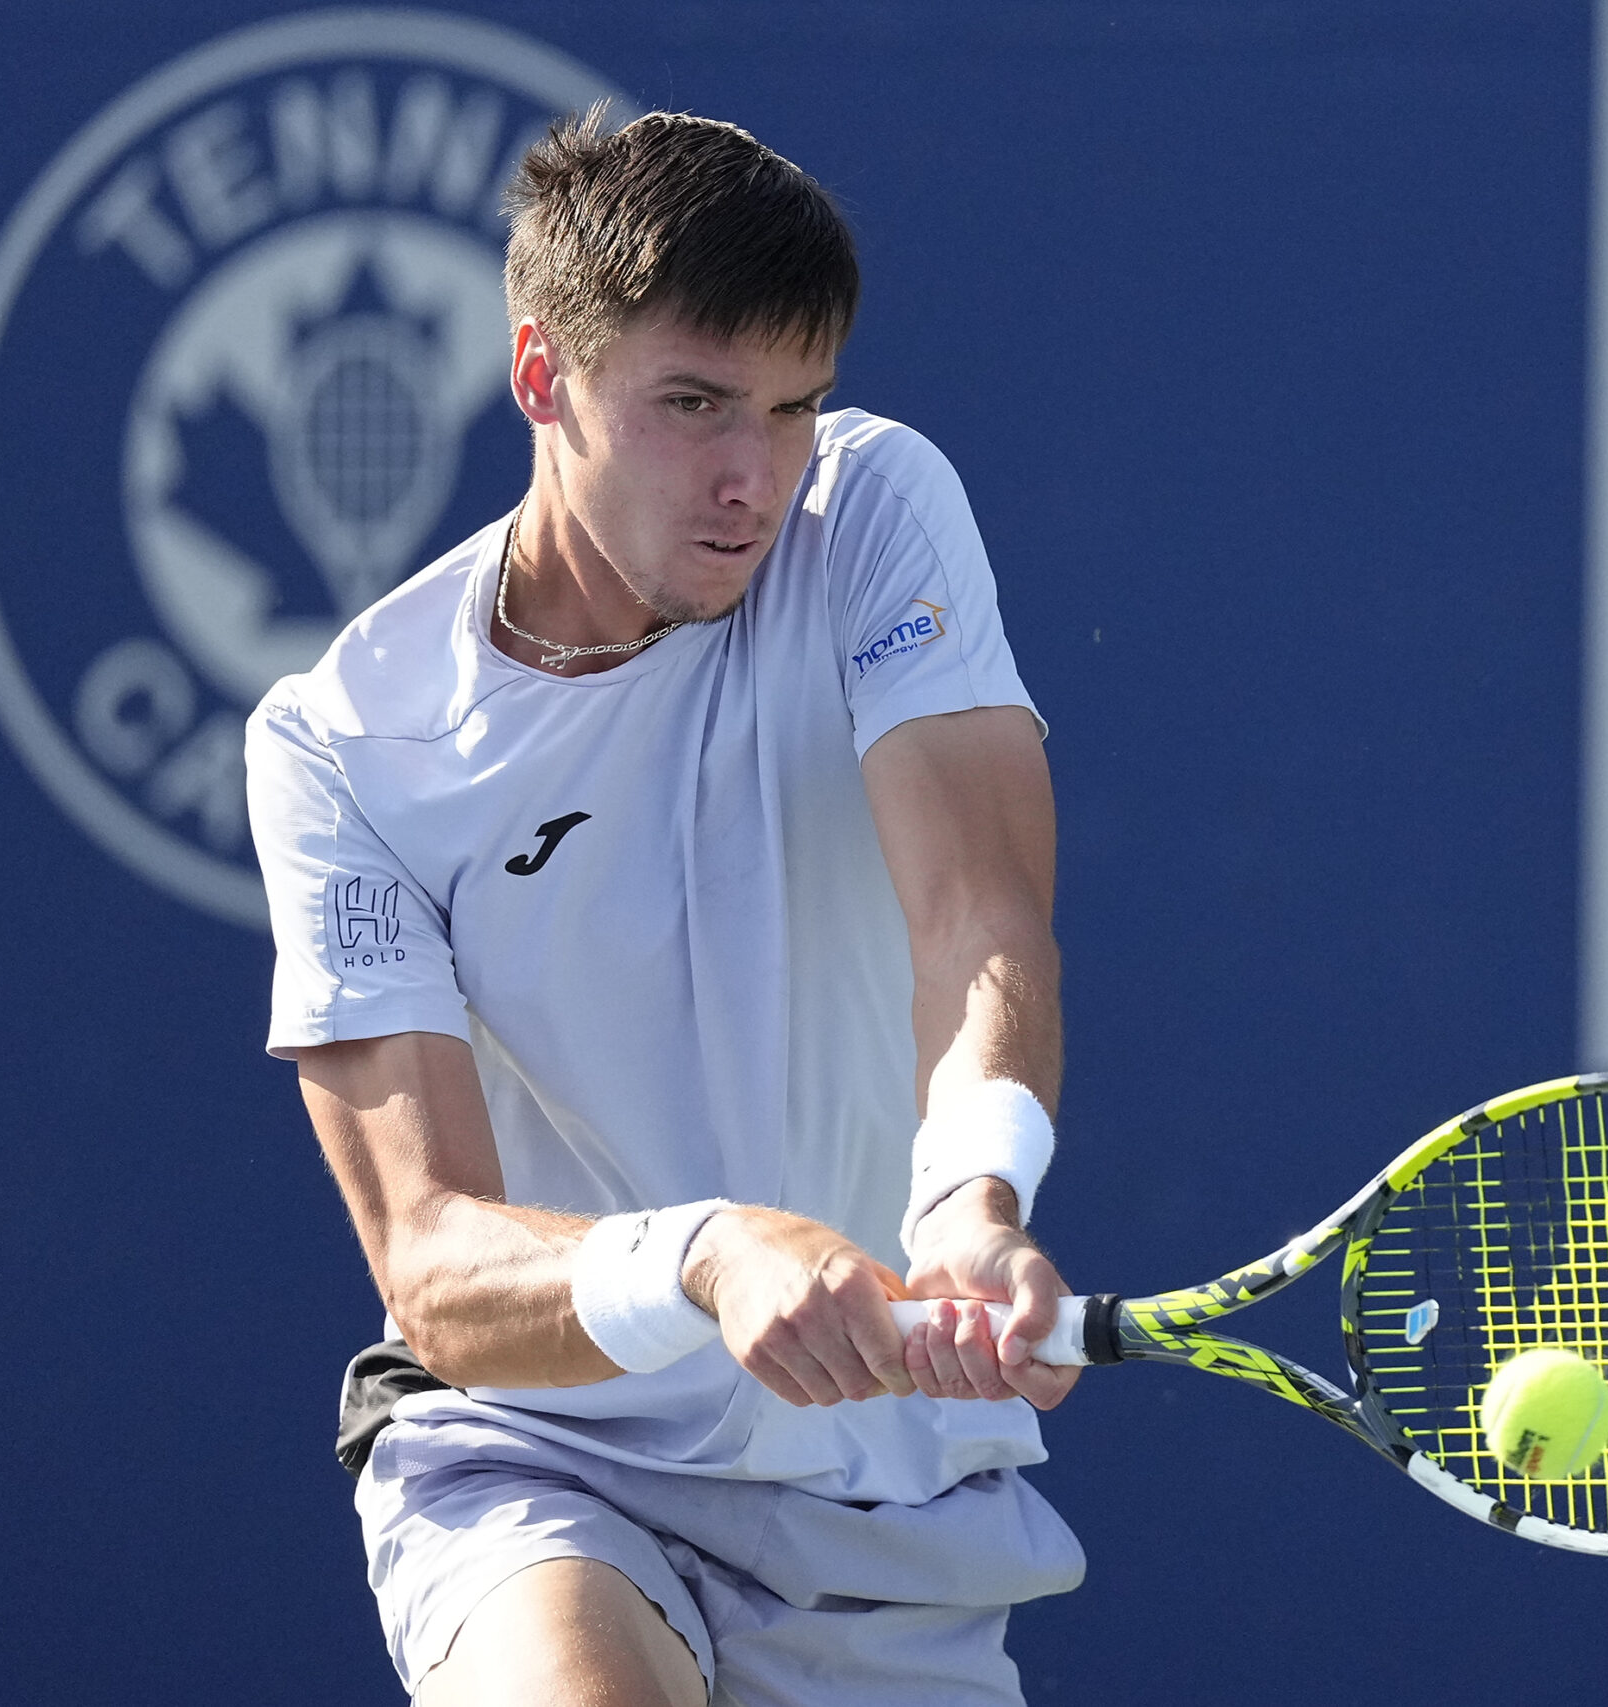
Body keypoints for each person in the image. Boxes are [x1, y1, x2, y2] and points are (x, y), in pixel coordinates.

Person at [245, 110, 1085, 1705]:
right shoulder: (343, 743)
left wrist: (973, 1202)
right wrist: (709, 1254)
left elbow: (977, 911)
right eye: (692, 405)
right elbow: (431, 1263)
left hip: (885, 1502)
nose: (752, 478)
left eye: (792, 407)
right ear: (542, 376)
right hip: (548, 1464)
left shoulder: (872, 511)